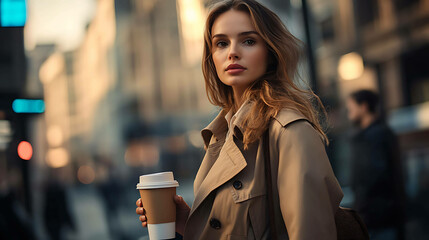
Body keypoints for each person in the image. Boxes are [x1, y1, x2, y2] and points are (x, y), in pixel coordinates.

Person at [136, 0, 343, 239]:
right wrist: (187, 222)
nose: (233, 52)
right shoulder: (220, 134)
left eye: (248, 41)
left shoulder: (289, 131)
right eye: (221, 43)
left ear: (271, 51)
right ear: (211, 56)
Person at [346, 90, 405, 240]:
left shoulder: (375, 136)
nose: (349, 113)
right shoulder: (372, 134)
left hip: (379, 218)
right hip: (376, 216)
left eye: (352, 108)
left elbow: (374, 176)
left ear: (364, 107)